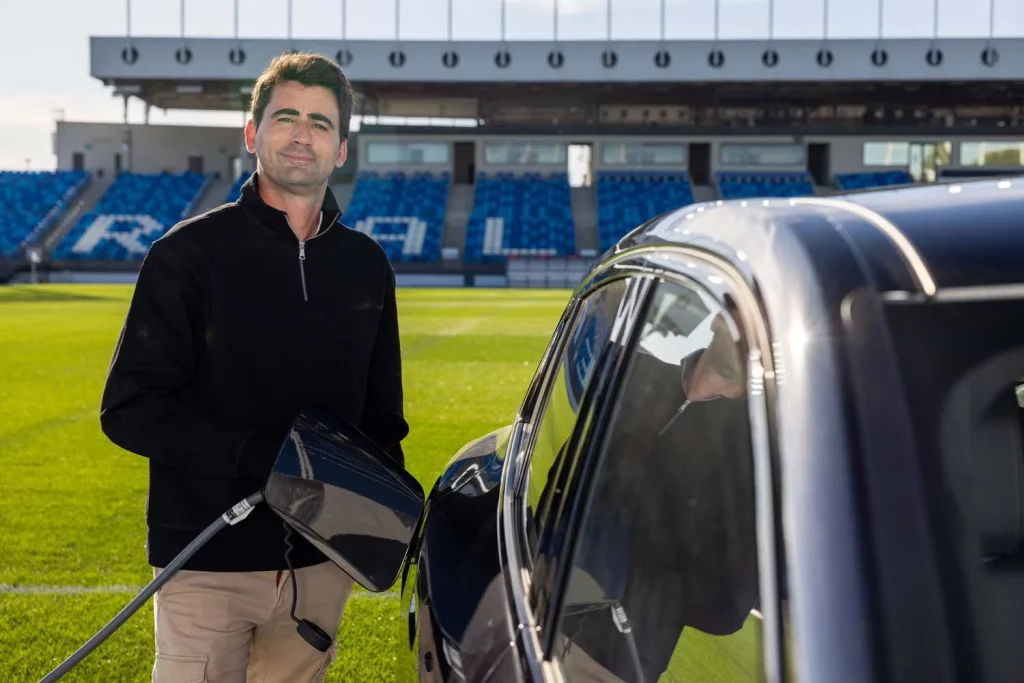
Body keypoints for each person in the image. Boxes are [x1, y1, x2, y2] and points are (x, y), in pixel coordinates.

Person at [99, 51, 409, 683]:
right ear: (252, 134)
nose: (303, 134)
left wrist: (393, 518)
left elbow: (381, 423)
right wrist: (261, 458)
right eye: (286, 117)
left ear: (342, 149)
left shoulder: (367, 265)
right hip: (207, 557)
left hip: (320, 567)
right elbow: (129, 408)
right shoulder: (185, 255)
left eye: (321, 124)